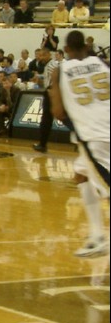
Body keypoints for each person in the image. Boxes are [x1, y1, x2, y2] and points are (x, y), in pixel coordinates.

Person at [48, 30, 109, 258]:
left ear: (65, 50)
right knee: (81, 175)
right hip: (104, 128)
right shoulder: (103, 63)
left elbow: (57, 110)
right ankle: (96, 236)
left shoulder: (60, 70)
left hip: (94, 136)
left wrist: (76, 122)